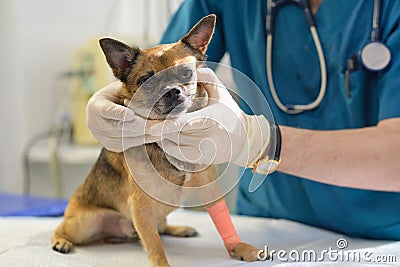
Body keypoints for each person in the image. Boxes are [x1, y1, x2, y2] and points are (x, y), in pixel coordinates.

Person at [87, 0, 400, 240]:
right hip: (266, 224)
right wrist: (118, 97)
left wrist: (259, 141)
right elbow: (163, 67)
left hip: (377, 235)